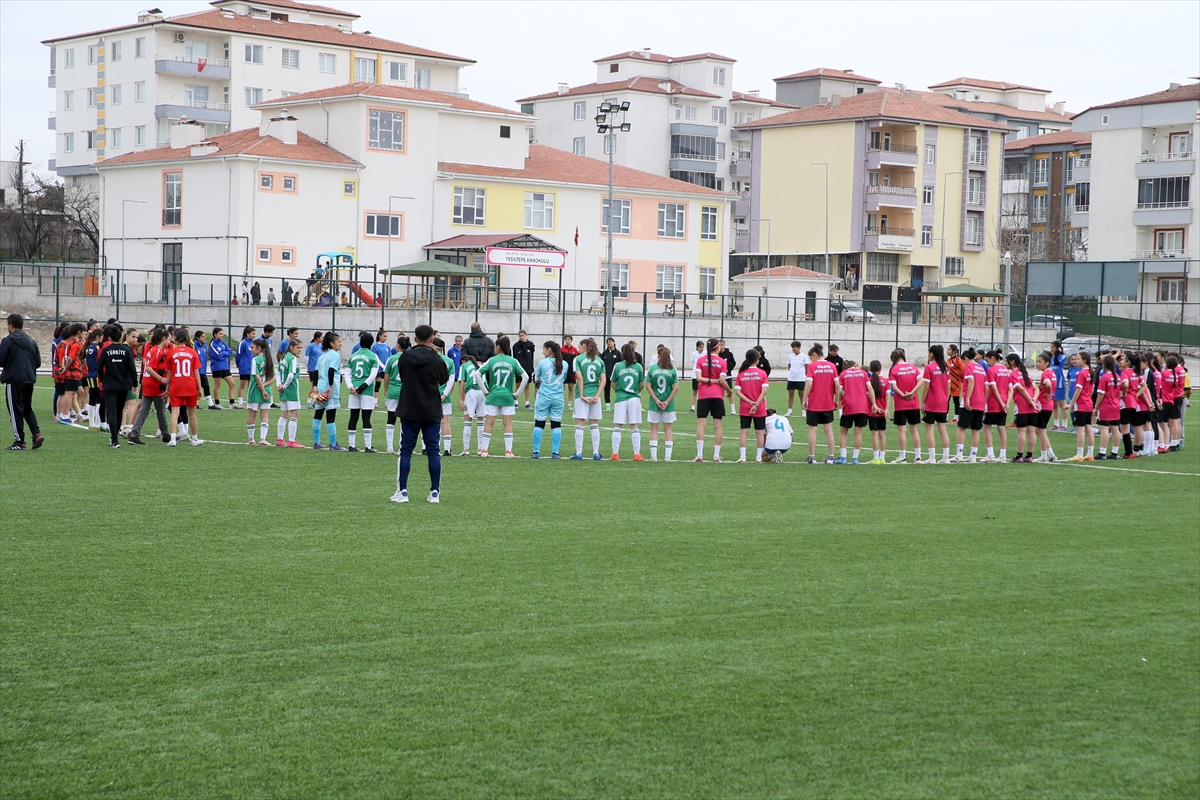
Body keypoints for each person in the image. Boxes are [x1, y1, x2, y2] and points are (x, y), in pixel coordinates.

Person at [390, 324, 451, 504]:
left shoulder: (405, 357)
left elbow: (402, 375)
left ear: (415, 339)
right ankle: (434, 492)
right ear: (432, 339)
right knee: (433, 451)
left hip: (409, 409)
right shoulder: (438, 360)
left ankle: (402, 491)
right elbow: (443, 379)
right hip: (431, 410)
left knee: (406, 451)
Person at [475, 335, 527, 457]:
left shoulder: (492, 360)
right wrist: (517, 394)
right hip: (507, 396)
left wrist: (485, 391)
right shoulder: (513, 361)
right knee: (507, 424)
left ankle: (484, 450)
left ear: (498, 347)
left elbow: (477, 374)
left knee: (489, 423)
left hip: (493, 396)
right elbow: (526, 377)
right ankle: (508, 451)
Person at [0, 313, 43, 450]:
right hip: (29, 378)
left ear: (10, 325)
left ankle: (20, 441)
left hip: (14, 379)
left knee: (15, 410)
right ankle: (36, 433)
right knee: (27, 408)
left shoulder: (8, 340)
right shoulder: (31, 341)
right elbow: (38, 362)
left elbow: (1, 360)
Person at [128, 329, 171, 446]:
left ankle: (134, 434)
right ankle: (166, 435)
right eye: (169, 338)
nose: (170, 341)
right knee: (161, 410)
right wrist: (161, 379)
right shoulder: (157, 351)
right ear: (163, 339)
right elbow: (149, 368)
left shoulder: (152, 350)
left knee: (144, 410)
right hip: (154, 384)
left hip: (147, 382)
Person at [96, 324, 136, 448]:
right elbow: (132, 369)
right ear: (120, 337)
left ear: (109, 338)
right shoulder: (126, 350)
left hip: (109, 384)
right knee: (119, 411)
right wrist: (134, 383)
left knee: (111, 411)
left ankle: (114, 439)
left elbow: (99, 368)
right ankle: (115, 437)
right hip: (123, 385)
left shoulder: (106, 350)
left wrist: (103, 380)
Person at [694, 338, 730, 463]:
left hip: (703, 395)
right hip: (717, 396)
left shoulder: (700, 360)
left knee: (701, 425)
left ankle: (699, 455)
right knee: (718, 426)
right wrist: (729, 391)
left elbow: (698, 378)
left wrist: (709, 380)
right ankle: (716, 456)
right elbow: (721, 380)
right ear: (718, 347)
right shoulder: (722, 362)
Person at [345, 332, 381, 453]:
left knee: (353, 417)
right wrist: (362, 387)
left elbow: (347, 374)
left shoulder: (353, 356)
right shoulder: (373, 356)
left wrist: (351, 387)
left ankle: (351, 445)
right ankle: (368, 446)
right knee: (366, 418)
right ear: (371, 343)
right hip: (367, 391)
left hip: (353, 390)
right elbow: (373, 375)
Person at [166, 330, 203, 447]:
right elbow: (196, 371)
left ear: (175, 339)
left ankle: (172, 438)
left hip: (176, 385)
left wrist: (167, 388)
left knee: (175, 413)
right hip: (190, 385)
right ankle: (195, 439)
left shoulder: (171, 353)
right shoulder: (193, 352)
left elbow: (169, 373)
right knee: (192, 413)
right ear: (187, 340)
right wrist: (199, 387)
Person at [571, 338, 606, 460]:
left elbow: (579, 378)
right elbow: (604, 380)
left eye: (580, 346)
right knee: (594, 424)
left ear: (584, 346)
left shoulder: (578, 359)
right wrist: (597, 395)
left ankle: (579, 453)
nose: (578, 348)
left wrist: (581, 395)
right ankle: (596, 453)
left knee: (580, 424)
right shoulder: (599, 361)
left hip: (582, 395)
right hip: (595, 395)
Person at [609, 342, 645, 461]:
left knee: (617, 426)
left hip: (621, 398)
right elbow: (641, 385)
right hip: (634, 398)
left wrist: (619, 391)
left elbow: (613, 383)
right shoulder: (638, 367)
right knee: (634, 426)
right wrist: (635, 392)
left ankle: (615, 454)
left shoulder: (618, 366)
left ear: (622, 353)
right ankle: (636, 454)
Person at [804, 344, 838, 464]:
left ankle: (812, 456)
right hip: (828, 402)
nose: (810, 360)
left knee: (813, 429)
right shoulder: (832, 366)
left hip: (814, 402)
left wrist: (804, 399)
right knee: (828, 429)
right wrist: (837, 399)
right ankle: (831, 456)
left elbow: (809, 383)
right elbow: (837, 385)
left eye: (810, 357)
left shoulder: (812, 366)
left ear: (814, 355)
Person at [531, 341, 565, 458]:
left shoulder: (542, 363)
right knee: (556, 424)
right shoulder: (564, 364)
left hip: (543, 397)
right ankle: (555, 453)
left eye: (544, 349)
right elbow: (563, 380)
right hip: (558, 398)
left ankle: (536, 452)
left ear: (549, 350)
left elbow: (536, 380)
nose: (542, 351)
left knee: (539, 423)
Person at [734, 348, 769, 463]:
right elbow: (764, 391)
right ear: (757, 360)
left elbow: (738, 392)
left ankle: (743, 456)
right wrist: (756, 404)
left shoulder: (741, 374)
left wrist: (749, 403)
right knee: (760, 432)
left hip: (745, 407)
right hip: (759, 407)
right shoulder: (762, 373)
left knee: (744, 431)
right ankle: (759, 457)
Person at [833, 359, 870, 464]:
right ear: (855, 365)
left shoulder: (843, 374)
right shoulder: (863, 373)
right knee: (858, 432)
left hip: (848, 405)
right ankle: (855, 458)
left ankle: (843, 457)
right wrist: (874, 404)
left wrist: (839, 400)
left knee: (843, 432)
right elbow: (870, 388)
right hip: (862, 405)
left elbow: (839, 390)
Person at [888, 349, 921, 464]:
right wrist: (912, 392)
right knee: (914, 430)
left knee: (902, 431)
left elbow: (894, 386)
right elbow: (921, 381)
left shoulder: (894, 369)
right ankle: (918, 457)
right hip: (913, 403)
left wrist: (902, 394)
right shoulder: (913, 367)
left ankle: (902, 457)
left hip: (901, 404)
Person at [312, 332, 344, 450]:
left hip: (320, 387)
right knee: (331, 415)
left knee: (318, 414)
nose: (341, 344)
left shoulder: (322, 356)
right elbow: (331, 371)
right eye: (339, 341)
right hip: (330, 389)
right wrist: (330, 387)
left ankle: (317, 442)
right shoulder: (335, 355)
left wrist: (314, 386)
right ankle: (333, 443)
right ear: (332, 343)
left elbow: (315, 372)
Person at [646, 346, 679, 462]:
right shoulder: (673, 369)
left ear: (658, 356)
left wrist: (657, 400)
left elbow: (648, 386)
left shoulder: (652, 368)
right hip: (668, 405)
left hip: (654, 403)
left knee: (654, 429)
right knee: (668, 429)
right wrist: (667, 401)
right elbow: (676, 387)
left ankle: (654, 456)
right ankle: (667, 456)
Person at [954, 348, 986, 463]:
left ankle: (959, 454)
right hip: (981, 401)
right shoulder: (981, 368)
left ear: (966, 359)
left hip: (970, 401)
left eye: (963, 361)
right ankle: (973, 456)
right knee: (975, 429)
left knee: (961, 427)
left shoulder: (968, 367)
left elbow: (971, 381)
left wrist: (967, 398)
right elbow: (986, 386)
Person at [1006, 353, 1038, 463]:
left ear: (1012, 362)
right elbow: (1036, 388)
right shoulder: (1026, 374)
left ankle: (1019, 456)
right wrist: (1034, 399)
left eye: (1007, 361)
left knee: (1021, 431)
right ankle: (1029, 456)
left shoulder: (1013, 375)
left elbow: (1021, 389)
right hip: (1033, 406)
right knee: (1031, 431)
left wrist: (1029, 401)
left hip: (1022, 405)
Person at [244, 338, 274, 446]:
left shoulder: (255, 360)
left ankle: (251, 439)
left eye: (252, 347)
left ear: (259, 348)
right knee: (264, 415)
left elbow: (256, 376)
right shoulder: (269, 360)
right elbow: (273, 378)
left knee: (252, 415)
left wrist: (261, 389)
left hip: (255, 390)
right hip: (267, 390)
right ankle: (263, 439)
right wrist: (265, 388)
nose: (251, 349)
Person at [982, 349, 1011, 463]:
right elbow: (1010, 389)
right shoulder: (1005, 370)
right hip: (1004, 402)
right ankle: (1002, 455)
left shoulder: (991, 370)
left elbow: (993, 388)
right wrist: (1006, 403)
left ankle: (990, 454)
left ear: (993, 358)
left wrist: (1001, 403)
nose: (986, 362)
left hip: (994, 403)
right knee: (1001, 428)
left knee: (987, 427)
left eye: (987, 360)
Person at [274, 338, 304, 447]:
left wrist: (279, 385)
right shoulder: (292, 358)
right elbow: (291, 374)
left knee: (284, 414)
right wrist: (285, 386)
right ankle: (291, 440)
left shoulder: (283, 358)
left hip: (282, 390)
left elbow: (278, 373)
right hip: (291, 389)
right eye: (298, 347)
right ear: (291, 347)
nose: (300, 350)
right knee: (295, 414)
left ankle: (280, 439)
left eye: (301, 347)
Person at [1095, 354, 1124, 461]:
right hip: (1116, 405)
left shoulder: (1104, 377)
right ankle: (1114, 452)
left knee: (1104, 429)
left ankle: (1102, 452)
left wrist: (1096, 407)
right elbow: (1122, 388)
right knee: (1115, 429)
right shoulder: (1117, 376)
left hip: (1106, 406)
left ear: (1104, 365)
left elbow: (1101, 394)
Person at [1068, 352, 1095, 461]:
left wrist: (1071, 403)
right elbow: (1092, 389)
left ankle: (1079, 454)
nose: (1076, 360)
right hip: (1088, 403)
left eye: (1078, 358)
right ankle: (1090, 454)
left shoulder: (1082, 373)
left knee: (1080, 429)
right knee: (1089, 428)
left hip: (1082, 404)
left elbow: (1078, 389)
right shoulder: (1090, 372)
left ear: (1084, 360)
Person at [432, 337, 457, 456]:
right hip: (444, 395)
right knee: (445, 422)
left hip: (430, 394)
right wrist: (445, 394)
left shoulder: (429, 359)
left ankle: (426, 447)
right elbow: (451, 380)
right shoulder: (449, 361)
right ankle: (447, 449)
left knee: (428, 422)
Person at [1032, 351, 1058, 462]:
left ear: (1047, 363)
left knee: (1040, 431)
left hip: (1043, 405)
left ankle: (1044, 456)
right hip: (1049, 405)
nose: (1037, 364)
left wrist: (1048, 392)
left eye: (1040, 362)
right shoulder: (1052, 373)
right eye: (1037, 361)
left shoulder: (1046, 374)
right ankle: (1051, 454)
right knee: (1038, 430)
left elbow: (1047, 384)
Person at [457, 353, 485, 455]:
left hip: (471, 392)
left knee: (467, 421)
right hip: (482, 392)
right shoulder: (481, 365)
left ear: (464, 361)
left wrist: (460, 399)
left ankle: (466, 449)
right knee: (480, 421)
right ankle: (481, 449)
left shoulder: (463, 366)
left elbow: (462, 382)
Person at [866, 360, 888, 464]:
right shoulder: (885, 381)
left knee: (874, 434)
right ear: (880, 369)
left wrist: (876, 406)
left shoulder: (869, 381)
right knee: (882, 434)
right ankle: (882, 458)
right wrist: (886, 409)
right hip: (883, 410)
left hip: (873, 411)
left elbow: (869, 395)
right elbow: (888, 396)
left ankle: (876, 458)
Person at [207, 328, 234, 408]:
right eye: (220, 334)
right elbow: (218, 356)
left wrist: (223, 353)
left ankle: (232, 403)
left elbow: (230, 352)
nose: (222, 335)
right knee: (217, 385)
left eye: (222, 334)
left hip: (225, 366)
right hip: (217, 367)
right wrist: (223, 354)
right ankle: (217, 403)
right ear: (215, 334)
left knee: (232, 384)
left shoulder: (223, 343)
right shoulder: (213, 344)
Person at [514, 331, 537, 409]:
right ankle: (516, 402)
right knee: (518, 384)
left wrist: (531, 367)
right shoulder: (516, 346)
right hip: (519, 368)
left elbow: (532, 356)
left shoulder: (530, 345)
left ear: (526, 335)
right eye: (520, 336)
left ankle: (527, 403)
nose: (521, 337)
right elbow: (515, 358)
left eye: (522, 335)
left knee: (527, 385)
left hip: (528, 368)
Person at [785, 341, 809, 417]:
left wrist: (805, 376)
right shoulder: (790, 356)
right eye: (792, 347)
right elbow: (789, 366)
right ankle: (789, 411)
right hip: (791, 378)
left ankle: (804, 412)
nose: (793, 349)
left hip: (800, 379)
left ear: (799, 347)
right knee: (791, 395)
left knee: (801, 395)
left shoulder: (804, 356)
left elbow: (807, 368)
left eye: (795, 347)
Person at [235, 325, 256, 408]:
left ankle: (250, 402)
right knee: (242, 385)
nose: (254, 335)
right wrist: (239, 365)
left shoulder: (253, 344)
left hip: (252, 367)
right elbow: (238, 355)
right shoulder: (243, 343)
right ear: (247, 334)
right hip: (244, 367)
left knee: (251, 385)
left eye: (255, 334)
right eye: (253, 334)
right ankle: (240, 403)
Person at [1050, 340, 1068, 431]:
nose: (1051, 349)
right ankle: (1056, 424)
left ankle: (1064, 424)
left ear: (1058, 348)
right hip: (1052, 383)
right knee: (1054, 405)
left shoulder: (1061, 357)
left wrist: (1058, 353)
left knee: (1062, 405)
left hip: (1059, 383)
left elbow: (1057, 363)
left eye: (1053, 347)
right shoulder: (1052, 357)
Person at [601, 337, 621, 410]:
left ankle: (618, 404)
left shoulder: (618, 353)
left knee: (617, 390)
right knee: (606, 390)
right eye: (608, 342)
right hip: (606, 375)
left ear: (614, 342)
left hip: (616, 376)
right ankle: (607, 406)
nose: (609, 343)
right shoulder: (604, 353)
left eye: (610, 341)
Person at [946, 343, 964, 421]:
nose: (947, 351)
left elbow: (962, 370)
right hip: (949, 384)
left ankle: (956, 418)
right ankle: (945, 417)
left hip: (956, 384)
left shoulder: (958, 360)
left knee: (956, 401)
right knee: (946, 400)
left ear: (954, 351)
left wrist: (958, 378)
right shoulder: (948, 360)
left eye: (949, 349)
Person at [560, 335, 579, 406]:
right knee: (562, 388)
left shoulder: (575, 350)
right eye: (566, 339)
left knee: (571, 388)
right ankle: (561, 402)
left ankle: (569, 404)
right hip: (563, 371)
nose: (567, 341)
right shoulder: (561, 349)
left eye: (569, 339)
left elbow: (576, 361)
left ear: (571, 340)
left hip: (571, 371)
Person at [689, 340, 705, 413]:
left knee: (702, 391)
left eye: (702, 347)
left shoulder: (706, 353)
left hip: (703, 375)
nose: (701, 348)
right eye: (700, 347)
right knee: (694, 391)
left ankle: (702, 407)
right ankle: (692, 407)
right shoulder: (694, 354)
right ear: (697, 347)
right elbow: (693, 364)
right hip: (695, 376)